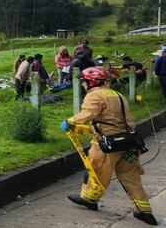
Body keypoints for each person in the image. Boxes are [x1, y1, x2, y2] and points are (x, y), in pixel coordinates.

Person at [60, 67, 158, 226]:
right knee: (131, 177)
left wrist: (69, 122)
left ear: (92, 82)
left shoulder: (94, 96)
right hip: (128, 142)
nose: (84, 85)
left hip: (107, 144)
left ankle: (89, 199)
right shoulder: (117, 95)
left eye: (85, 82)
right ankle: (145, 212)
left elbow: (87, 115)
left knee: (96, 171)